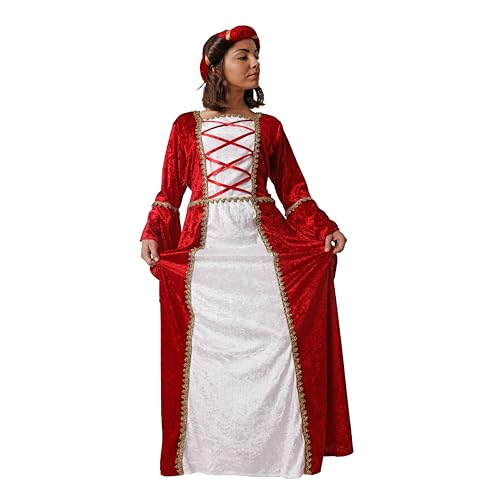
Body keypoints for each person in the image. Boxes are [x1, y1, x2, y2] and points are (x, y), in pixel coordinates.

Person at [140, 25, 353, 478]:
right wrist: (153, 232)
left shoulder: (269, 128)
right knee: (205, 354)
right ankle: (210, 452)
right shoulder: (185, 127)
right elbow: (169, 194)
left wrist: (324, 229)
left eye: (256, 55)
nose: (255, 63)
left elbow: (294, 194)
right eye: (243, 56)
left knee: (278, 342)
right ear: (217, 66)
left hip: (262, 251)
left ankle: (279, 452)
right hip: (207, 254)